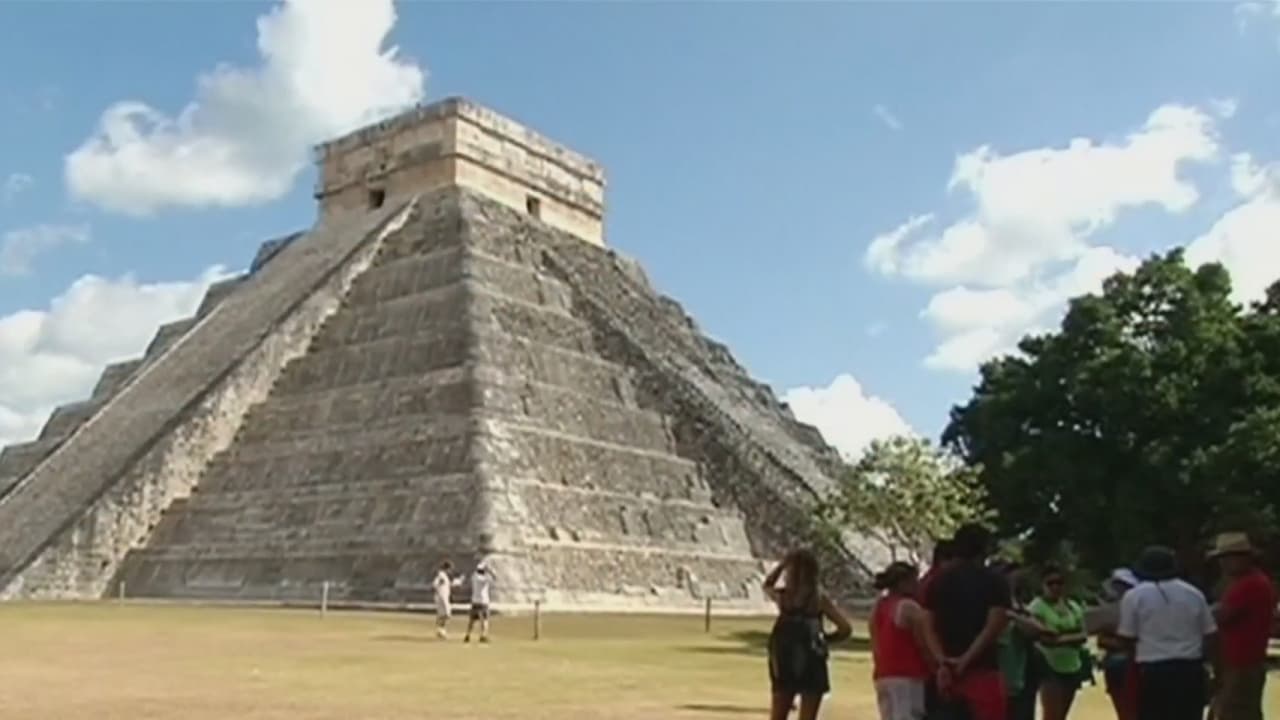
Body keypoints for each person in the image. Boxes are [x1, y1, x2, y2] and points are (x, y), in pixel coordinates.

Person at [1116, 545, 1217, 720]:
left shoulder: (1134, 596)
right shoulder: (1194, 594)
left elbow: (1126, 637)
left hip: (1153, 672)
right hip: (1190, 670)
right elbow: (1210, 634)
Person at [922, 523, 1011, 720]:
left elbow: (927, 626)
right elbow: (993, 627)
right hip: (983, 669)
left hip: (945, 675)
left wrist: (942, 662)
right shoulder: (995, 581)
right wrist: (965, 660)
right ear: (985, 549)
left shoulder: (937, 582)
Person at [763, 549, 854, 720]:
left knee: (778, 714)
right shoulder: (817, 599)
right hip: (811, 659)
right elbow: (845, 628)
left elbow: (767, 586)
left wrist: (781, 565)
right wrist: (825, 640)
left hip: (785, 659)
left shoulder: (784, 598)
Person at [1208, 532, 1276, 720]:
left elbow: (1220, 615)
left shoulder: (1249, 584)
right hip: (1240, 661)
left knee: (1234, 712)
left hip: (1241, 662)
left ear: (1243, 558)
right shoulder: (1245, 582)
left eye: (1226, 558)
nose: (1223, 563)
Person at [869, 561, 933, 720]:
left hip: (884, 673)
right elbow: (922, 642)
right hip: (908, 674)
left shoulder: (879, 606)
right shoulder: (909, 607)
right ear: (903, 583)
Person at [1029, 565, 1088, 720]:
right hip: (1049, 666)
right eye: (1050, 583)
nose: (1055, 587)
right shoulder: (1036, 608)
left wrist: (1061, 637)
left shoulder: (1073, 606)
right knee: (1052, 716)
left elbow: (1084, 634)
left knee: (1062, 715)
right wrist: (1070, 637)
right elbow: (1046, 639)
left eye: (1059, 582)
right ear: (1042, 585)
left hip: (1072, 665)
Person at [996, 562, 1048, 720]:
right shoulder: (993, 609)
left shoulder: (1019, 608)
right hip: (1003, 678)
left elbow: (1039, 630)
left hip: (1022, 676)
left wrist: (1014, 614)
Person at [1094, 568, 1139, 720]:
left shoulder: (1139, 606)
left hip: (1135, 663)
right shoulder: (1108, 609)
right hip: (1117, 663)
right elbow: (1101, 640)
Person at [464, 561, 494, 643]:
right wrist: (489, 570)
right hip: (483, 601)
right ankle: (483, 635)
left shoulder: (474, 576)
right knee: (484, 619)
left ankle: (467, 635)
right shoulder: (485, 578)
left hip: (474, 601)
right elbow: (493, 578)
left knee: (472, 620)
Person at [433, 560, 462, 640]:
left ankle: (441, 630)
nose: (451, 570)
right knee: (446, 614)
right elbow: (435, 584)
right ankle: (440, 630)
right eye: (450, 568)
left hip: (444, 597)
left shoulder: (445, 576)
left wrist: (458, 581)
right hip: (441, 597)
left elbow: (449, 585)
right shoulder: (441, 575)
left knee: (444, 614)